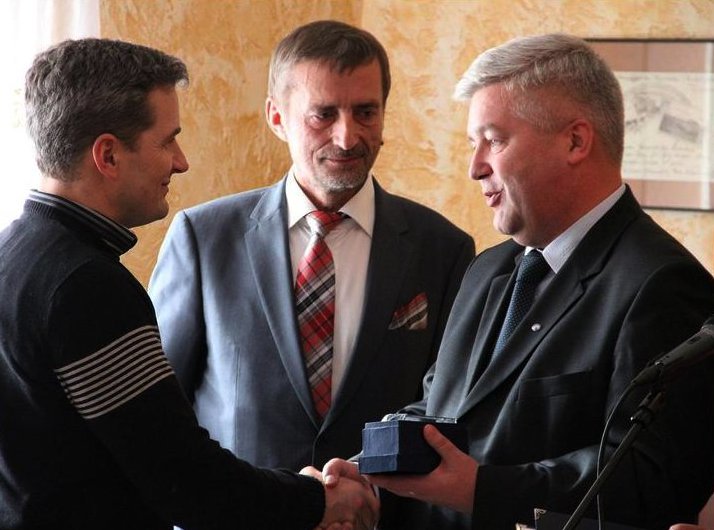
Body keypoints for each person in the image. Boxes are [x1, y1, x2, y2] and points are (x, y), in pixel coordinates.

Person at [315, 33, 714, 530]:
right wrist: (369, 476)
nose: (474, 167)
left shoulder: (664, 285)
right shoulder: (487, 269)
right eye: (473, 144)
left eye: (495, 140)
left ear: (575, 141)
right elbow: (442, 410)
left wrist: (481, 489)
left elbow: (653, 480)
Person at [0, 37, 379, 530]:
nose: (180, 162)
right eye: (167, 140)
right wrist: (317, 501)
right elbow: (185, 483)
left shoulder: (14, 253)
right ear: (108, 155)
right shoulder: (86, 287)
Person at [148, 18, 474, 477]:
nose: (347, 137)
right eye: (323, 114)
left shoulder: (443, 249)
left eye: (366, 112)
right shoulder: (203, 239)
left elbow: (447, 406)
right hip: (242, 508)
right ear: (277, 118)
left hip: (383, 507)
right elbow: (160, 409)